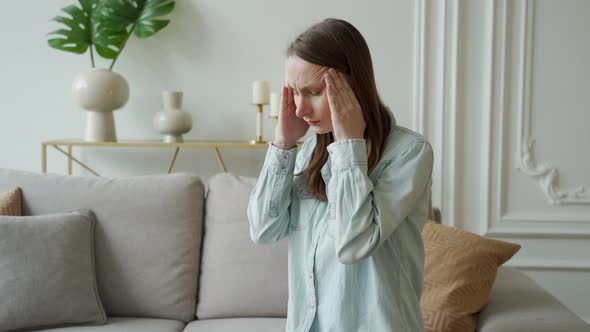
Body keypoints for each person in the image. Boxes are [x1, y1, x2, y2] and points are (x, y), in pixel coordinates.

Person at [247, 18, 433, 332]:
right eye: (294, 93)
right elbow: (263, 231)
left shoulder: (409, 153)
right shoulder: (307, 153)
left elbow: (354, 246)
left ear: (353, 85)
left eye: (313, 92)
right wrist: (283, 144)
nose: (301, 109)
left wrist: (349, 146)